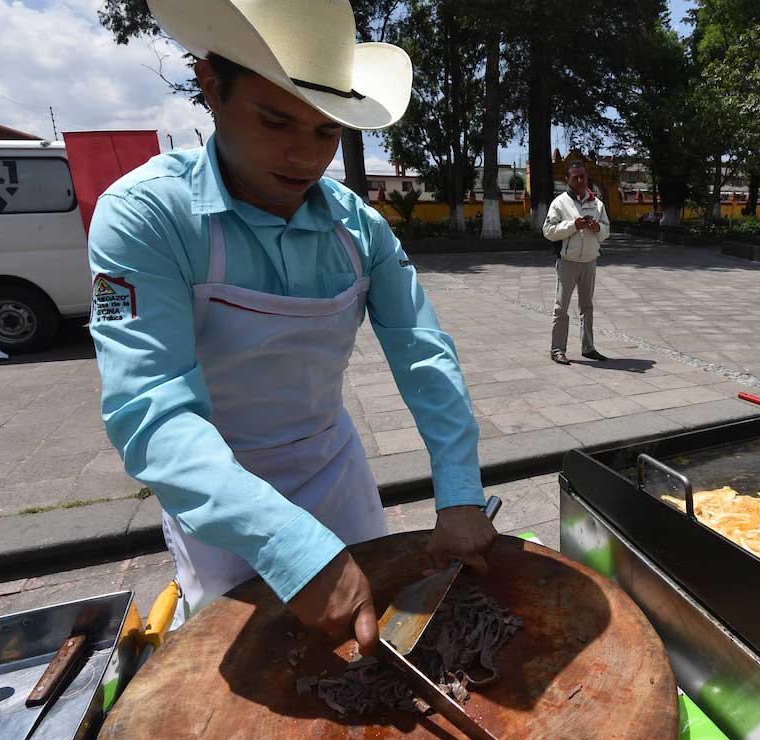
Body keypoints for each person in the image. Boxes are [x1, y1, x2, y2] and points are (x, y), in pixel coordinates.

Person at [87, 0, 496, 653]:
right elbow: (151, 412)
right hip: (216, 494)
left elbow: (424, 355)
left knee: (379, 654)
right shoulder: (145, 218)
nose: (304, 156)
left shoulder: (358, 228)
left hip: (333, 470)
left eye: (326, 132)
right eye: (277, 121)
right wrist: (291, 547)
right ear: (211, 86)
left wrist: (459, 491)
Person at [542, 161, 611, 365]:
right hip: (568, 262)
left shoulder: (597, 204)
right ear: (567, 180)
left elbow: (606, 231)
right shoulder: (560, 203)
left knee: (587, 307)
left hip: (590, 261)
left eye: (583, 176)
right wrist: (573, 225)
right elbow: (548, 231)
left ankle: (588, 348)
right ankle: (557, 349)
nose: (580, 180)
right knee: (561, 307)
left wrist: (598, 228)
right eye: (575, 177)